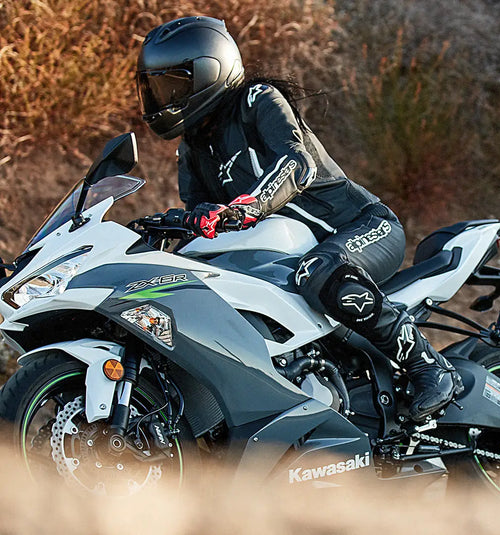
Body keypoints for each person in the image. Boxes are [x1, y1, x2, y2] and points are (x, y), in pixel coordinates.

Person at [136, 15, 463, 422]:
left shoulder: (257, 99)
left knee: (318, 271)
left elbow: (296, 162)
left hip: (362, 226)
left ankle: (430, 367)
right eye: (153, 87)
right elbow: (201, 219)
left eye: (172, 84)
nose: (161, 98)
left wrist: (247, 207)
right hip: (297, 247)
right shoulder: (194, 147)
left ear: (209, 70)